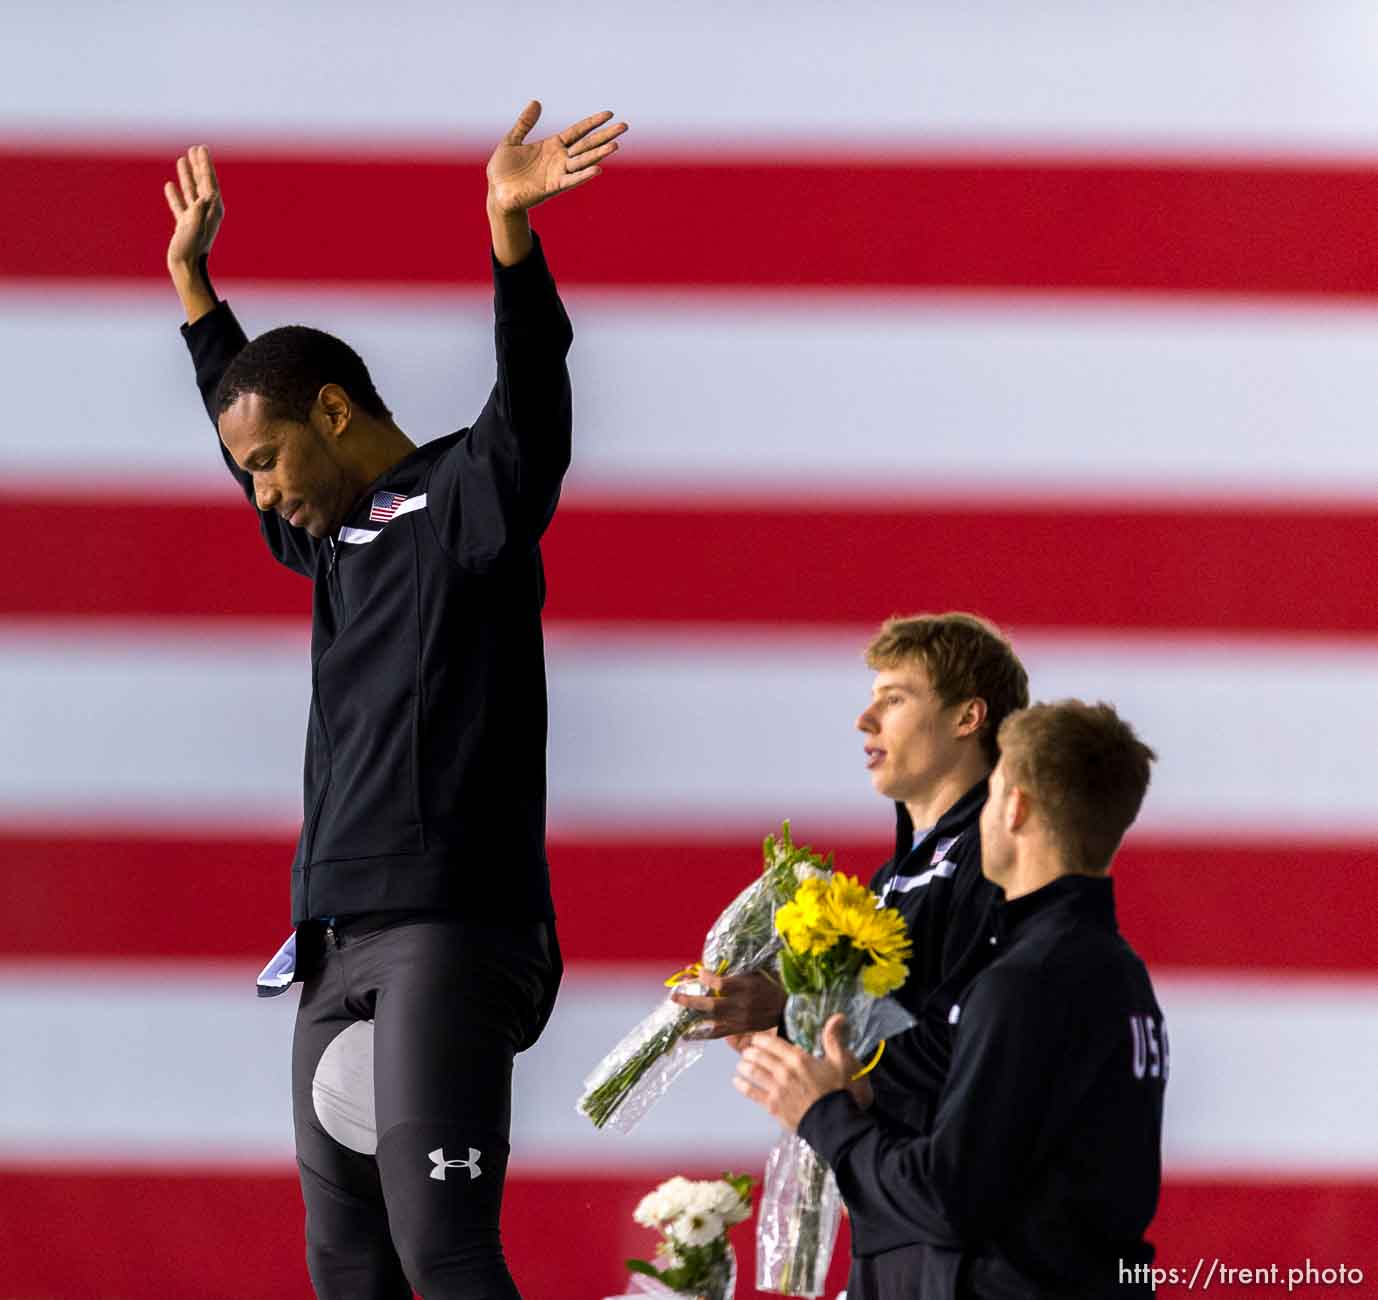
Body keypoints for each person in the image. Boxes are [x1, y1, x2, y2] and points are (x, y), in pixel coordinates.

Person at [162, 101, 627, 1300]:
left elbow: (533, 401)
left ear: (333, 414)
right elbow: (247, 420)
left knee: (447, 1254)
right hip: (332, 945)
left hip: (451, 928)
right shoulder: (336, 545)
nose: (259, 495)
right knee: (348, 1268)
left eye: (269, 465)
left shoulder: (468, 503)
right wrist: (198, 300)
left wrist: (509, 240)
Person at [733, 700, 1167, 1300]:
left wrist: (821, 1114)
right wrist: (861, 1098)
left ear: (1014, 808)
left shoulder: (1025, 981)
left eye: (988, 798)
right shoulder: (1123, 975)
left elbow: (950, 1199)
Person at [674, 612, 1030, 1138]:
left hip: (960, 1199)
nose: (864, 720)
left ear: (966, 717)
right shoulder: (893, 878)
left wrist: (797, 1010)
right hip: (895, 1192)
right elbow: (881, 1045)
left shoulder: (998, 859)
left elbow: (969, 1048)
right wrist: (780, 1033)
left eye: (894, 699)